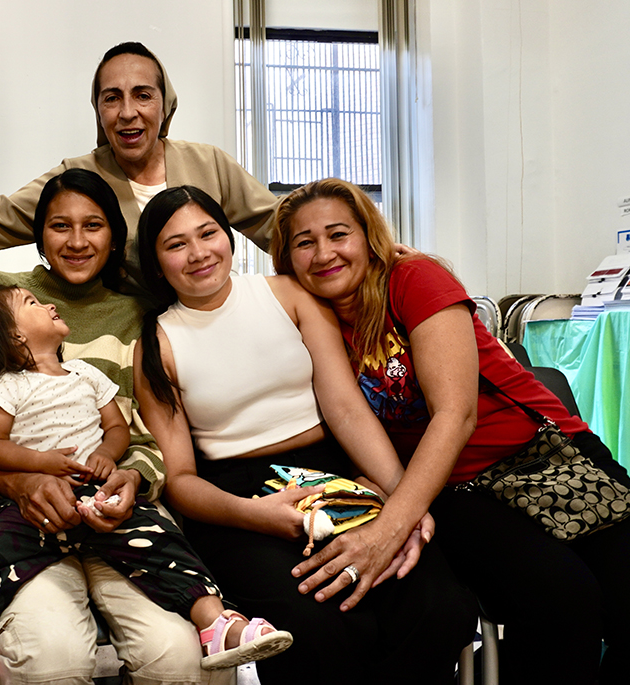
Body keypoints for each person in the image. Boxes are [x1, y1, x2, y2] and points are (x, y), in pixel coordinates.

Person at [272, 177, 630, 684]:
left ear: (368, 236)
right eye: (304, 242)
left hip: (543, 455)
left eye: (338, 234)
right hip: (448, 484)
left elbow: (455, 413)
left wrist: (389, 531)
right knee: (562, 598)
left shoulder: (413, 278)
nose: (324, 253)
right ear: (285, 258)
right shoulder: (306, 317)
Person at [132, 185, 477, 685]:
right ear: (156, 261)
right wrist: (255, 515)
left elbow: (346, 409)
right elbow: (181, 478)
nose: (199, 253)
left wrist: (406, 508)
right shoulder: (157, 343)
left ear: (227, 235)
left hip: (331, 474)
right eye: (176, 244)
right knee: (324, 628)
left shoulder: (287, 294)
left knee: (438, 608)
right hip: (235, 500)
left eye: (208, 233)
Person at [0, 168, 235, 685]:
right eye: (58, 226)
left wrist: (131, 477)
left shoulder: (138, 315)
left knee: (180, 659)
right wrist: (16, 481)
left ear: (114, 235)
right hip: (15, 516)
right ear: (39, 234)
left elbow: (149, 436)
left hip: (116, 512)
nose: (76, 241)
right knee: (52, 661)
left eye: (93, 225)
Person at [0, 283, 292, 685]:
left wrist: (107, 453)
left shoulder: (87, 374)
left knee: (165, 543)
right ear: (16, 337)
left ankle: (217, 625)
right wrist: (37, 466)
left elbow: (118, 427)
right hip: (35, 507)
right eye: (32, 303)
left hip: (100, 496)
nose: (47, 303)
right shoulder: (8, 386)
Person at [0, 41, 280, 291]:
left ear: (164, 104)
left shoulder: (209, 163)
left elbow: (277, 225)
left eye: (142, 95)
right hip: (129, 340)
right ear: (98, 109)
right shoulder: (79, 177)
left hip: (213, 317)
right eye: (112, 98)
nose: (127, 113)